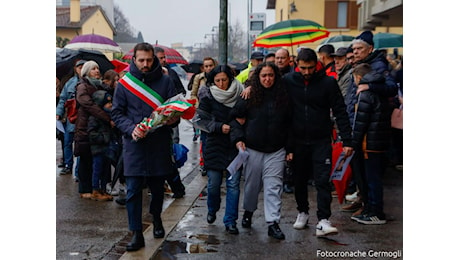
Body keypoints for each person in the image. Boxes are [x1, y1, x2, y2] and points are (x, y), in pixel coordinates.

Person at [111, 42, 179, 251]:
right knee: (132, 190)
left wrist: (171, 120)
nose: (145, 64)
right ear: (134, 60)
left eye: (149, 60)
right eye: (141, 60)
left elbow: (175, 110)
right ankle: (136, 234)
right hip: (134, 144)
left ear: (154, 59)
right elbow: (116, 113)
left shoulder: (166, 82)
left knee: (158, 189)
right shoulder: (124, 84)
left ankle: (156, 218)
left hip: (158, 143)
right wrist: (131, 129)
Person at [283, 48, 353, 236]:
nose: (307, 72)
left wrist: (347, 140)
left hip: (321, 139)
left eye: (310, 68)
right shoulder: (289, 82)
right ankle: (302, 212)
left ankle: (323, 219)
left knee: (322, 180)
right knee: (299, 180)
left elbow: (340, 111)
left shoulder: (328, 83)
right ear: (297, 64)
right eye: (303, 68)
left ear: (317, 64)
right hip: (297, 140)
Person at [230, 62, 292, 240]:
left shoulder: (284, 96)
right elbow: (234, 119)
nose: (267, 79)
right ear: (258, 77)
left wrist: (290, 147)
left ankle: (273, 223)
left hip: (276, 149)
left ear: (276, 76)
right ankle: (248, 211)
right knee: (252, 186)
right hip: (253, 148)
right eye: (263, 75)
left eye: (271, 75)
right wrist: (239, 139)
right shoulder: (248, 96)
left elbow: (290, 124)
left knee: (274, 186)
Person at [344, 31, 398, 218]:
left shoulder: (378, 65)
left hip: (370, 133)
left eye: (359, 49)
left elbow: (391, 87)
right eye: (354, 49)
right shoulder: (359, 64)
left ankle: (372, 209)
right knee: (361, 174)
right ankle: (365, 204)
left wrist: (370, 86)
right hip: (358, 125)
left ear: (370, 49)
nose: (356, 52)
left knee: (370, 175)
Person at [197, 65, 244, 235]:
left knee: (233, 185)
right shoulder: (208, 97)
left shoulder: (240, 93)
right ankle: (212, 209)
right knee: (213, 184)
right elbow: (200, 120)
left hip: (235, 145)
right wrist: (218, 127)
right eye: (218, 80)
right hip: (214, 144)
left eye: (224, 79)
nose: (222, 83)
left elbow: (244, 117)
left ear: (230, 79)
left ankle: (230, 221)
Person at [349, 63, 392, 225]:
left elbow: (361, 122)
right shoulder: (379, 90)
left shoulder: (366, 94)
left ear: (358, 78)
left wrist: (353, 143)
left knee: (372, 179)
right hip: (379, 140)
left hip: (370, 143)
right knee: (374, 178)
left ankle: (376, 212)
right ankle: (372, 209)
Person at [74, 60, 115, 199]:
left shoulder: (99, 86)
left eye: (97, 68)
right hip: (85, 126)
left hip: (98, 126)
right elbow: (88, 104)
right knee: (85, 159)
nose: (96, 71)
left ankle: (97, 188)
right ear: (86, 72)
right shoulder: (83, 86)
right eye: (93, 69)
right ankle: (84, 189)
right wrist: (106, 117)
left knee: (97, 160)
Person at [155, 46, 186, 198]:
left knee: (168, 157)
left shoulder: (171, 74)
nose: (163, 61)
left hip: (167, 123)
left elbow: (181, 92)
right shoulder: (145, 78)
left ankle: (177, 187)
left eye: (163, 58)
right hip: (153, 123)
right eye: (160, 58)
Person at [56, 59, 85, 176]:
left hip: (83, 119)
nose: (81, 69)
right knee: (67, 142)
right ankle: (68, 165)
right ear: (75, 69)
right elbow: (63, 98)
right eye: (79, 67)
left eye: (83, 67)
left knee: (80, 145)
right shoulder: (70, 83)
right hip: (71, 118)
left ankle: (79, 171)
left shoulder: (89, 83)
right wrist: (58, 112)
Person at [190, 57, 217, 176]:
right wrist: (198, 106)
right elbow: (193, 94)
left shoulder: (218, 75)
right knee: (204, 140)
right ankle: (205, 164)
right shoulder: (199, 78)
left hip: (216, 113)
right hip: (203, 113)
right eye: (206, 66)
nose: (208, 68)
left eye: (210, 65)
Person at [88, 90, 115, 201]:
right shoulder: (95, 118)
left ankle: (103, 189)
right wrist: (104, 138)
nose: (110, 105)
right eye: (107, 103)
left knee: (105, 170)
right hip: (98, 148)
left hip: (107, 148)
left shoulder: (109, 117)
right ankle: (96, 189)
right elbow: (91, 133)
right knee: (97, 169)